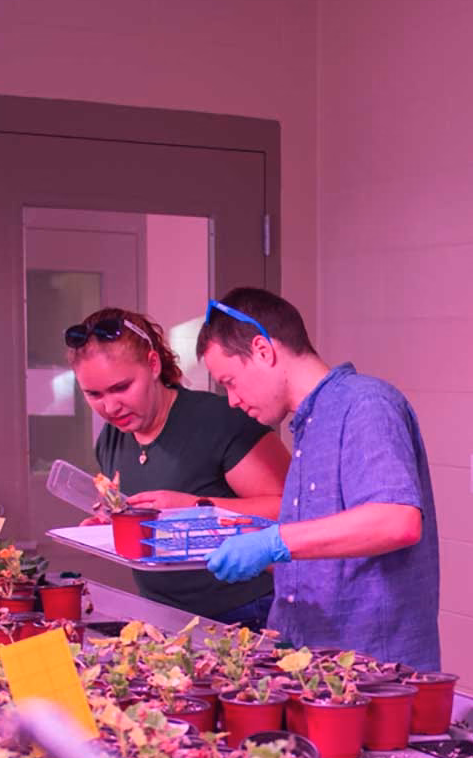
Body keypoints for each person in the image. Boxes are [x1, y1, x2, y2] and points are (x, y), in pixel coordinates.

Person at [198, 288, 442, 671]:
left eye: (230, 381)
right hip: (309, 664)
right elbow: (328, 552)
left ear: (263, 350)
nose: (231, 400)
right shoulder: (307, 425)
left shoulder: (365, 404)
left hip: (372, 678)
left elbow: (397, 522)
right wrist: (243, 540)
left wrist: (275, 541)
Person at [68, 307, 289, 629]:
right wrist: (113, 524)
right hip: (162, 615)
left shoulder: (220, 421)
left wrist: (194, 507)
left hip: (249, 611)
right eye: (94, 394)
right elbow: (148, 523)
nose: (110, 407)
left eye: (121, 388)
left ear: (154, 364)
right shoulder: (112, 438)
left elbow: (292, 511)